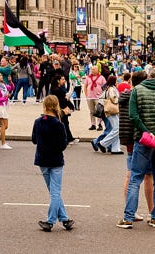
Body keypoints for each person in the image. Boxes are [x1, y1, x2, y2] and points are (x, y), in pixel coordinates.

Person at [117, 68, 155, 229]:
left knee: (135, 178)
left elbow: (133, 115)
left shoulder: (138, 91)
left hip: (142, 140)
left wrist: (146, 132)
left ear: (149, 77)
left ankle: (128, 218)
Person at [32, 95, 75, 232]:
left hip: (42, 159)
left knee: (53, 191)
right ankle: (51, 221)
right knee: (55, 192)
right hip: (55, 160)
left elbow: (34, 140)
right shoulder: (58, 124)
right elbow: (63, 144)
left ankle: (65, 219)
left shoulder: (38, 122)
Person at [119, 70, 152, 222]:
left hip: (127, 137)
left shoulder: (125, 95)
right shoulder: (138, 96)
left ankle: (130, 208)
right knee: (145, 175)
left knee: (130, 173)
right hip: (138, 137)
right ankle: (150, 211)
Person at [50, 75, 78, 145]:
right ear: (58, 81)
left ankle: (69, 138)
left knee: (65, 123)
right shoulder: (56, 90)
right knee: (64, 124)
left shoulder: (59, 88)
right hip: (61, 109)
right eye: (62, 79)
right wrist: (67, 99)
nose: (64, 81)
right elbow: (61, 100)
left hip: (63, 109)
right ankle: (67, 139)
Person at [98, 76, 123, 154]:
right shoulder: (112, 89)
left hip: (110, 110)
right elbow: (114, 98)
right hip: (112, 110)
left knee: (116, 129)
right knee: (117, 129)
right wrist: (120, 99)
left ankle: (115, 148)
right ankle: (103, 143)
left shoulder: (108, 88)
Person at [83, 66, 106, 131]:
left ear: (97, 70)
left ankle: (100, 124)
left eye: (93, 69)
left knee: (99, 111)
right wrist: (86, 95)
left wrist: (103, 96)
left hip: (98, 97)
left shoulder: (101, 77)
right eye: (91, 69)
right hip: (90, 97)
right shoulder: (88, 77)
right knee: (91, 111)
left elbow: (105, 87)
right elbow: (85, 86)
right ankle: (93, 124)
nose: (92, 70)